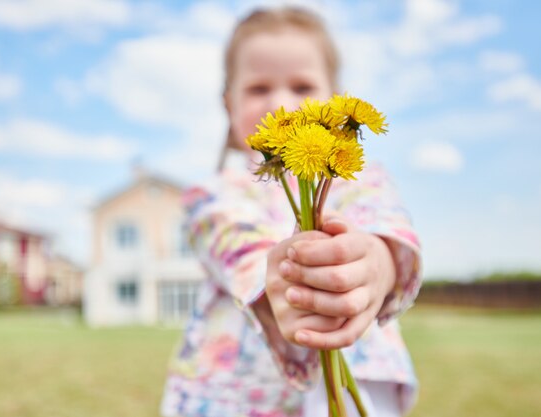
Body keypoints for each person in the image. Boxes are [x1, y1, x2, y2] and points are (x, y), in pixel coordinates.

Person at [161, 7, 421, 417]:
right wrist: (277, 283)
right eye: (259, 89)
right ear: (229, 106)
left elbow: (388, 229)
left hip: (359, 388)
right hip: (239, 399)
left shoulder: (364, 178)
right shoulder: (211, 193)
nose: (282, 104)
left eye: (302, 87)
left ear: (336, 100)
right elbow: (233, 245)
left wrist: (376, 265)